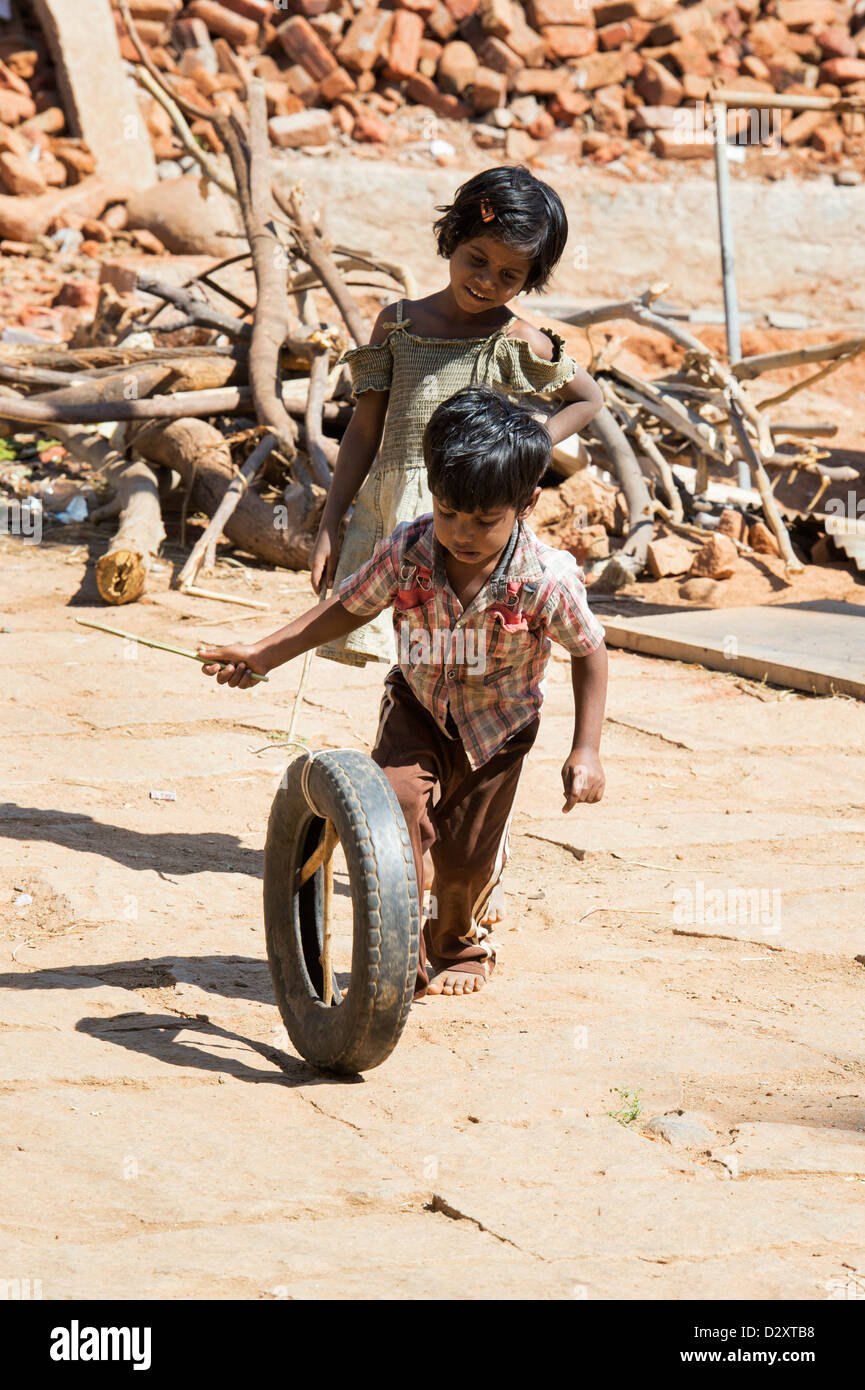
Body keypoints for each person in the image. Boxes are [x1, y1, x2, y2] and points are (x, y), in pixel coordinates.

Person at [198, 388, 608, 999]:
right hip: (417, 707)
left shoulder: (546, 580)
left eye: (484, 521)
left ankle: (458, 946)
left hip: (500, 730)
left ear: (527, 504)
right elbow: (344, 610)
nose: (461, 534)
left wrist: (587, 750)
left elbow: (590, 653)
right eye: (448, 512)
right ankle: (400, 954)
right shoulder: (410, 548)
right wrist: (265, 655)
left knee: (466, 860)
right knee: (396, 816)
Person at [310, 163, 603, 670]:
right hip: (395, 512)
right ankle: (408, 736)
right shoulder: (398, 324)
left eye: (510, 275)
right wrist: (331, 521)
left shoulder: (512, 338)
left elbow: (587, 397)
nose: (487, 281)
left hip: (471, 520)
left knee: (459, 647)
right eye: (477, 259)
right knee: (407, 648)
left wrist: (529, 443)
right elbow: (364, 429)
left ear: (530, 280)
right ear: (454, 238)